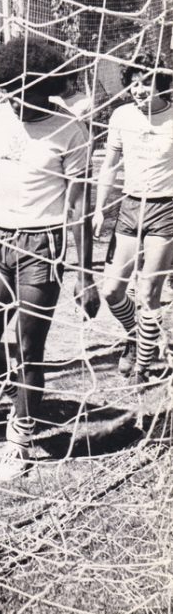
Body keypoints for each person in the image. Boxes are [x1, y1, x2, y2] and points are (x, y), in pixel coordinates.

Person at [0, 37, 100, 482]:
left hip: (43, 247)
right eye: (9, 90)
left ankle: (19, 440)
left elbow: (79, 208)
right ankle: (20, 401)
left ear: (47, 88)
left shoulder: (71, 131)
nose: (15, 100)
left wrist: (85, 275)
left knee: (29, 350)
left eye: (24, 91)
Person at [93, 50, 173, 384]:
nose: (138, 90)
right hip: (129, 208)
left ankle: (141, 369)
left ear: (160, 84)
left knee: (148, 293)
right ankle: (136, 335)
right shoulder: (121, 116)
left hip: (165, 209)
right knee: (112, 290)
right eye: (133, 83)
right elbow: (109, 166)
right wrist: (99, 208)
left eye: (145, 84)